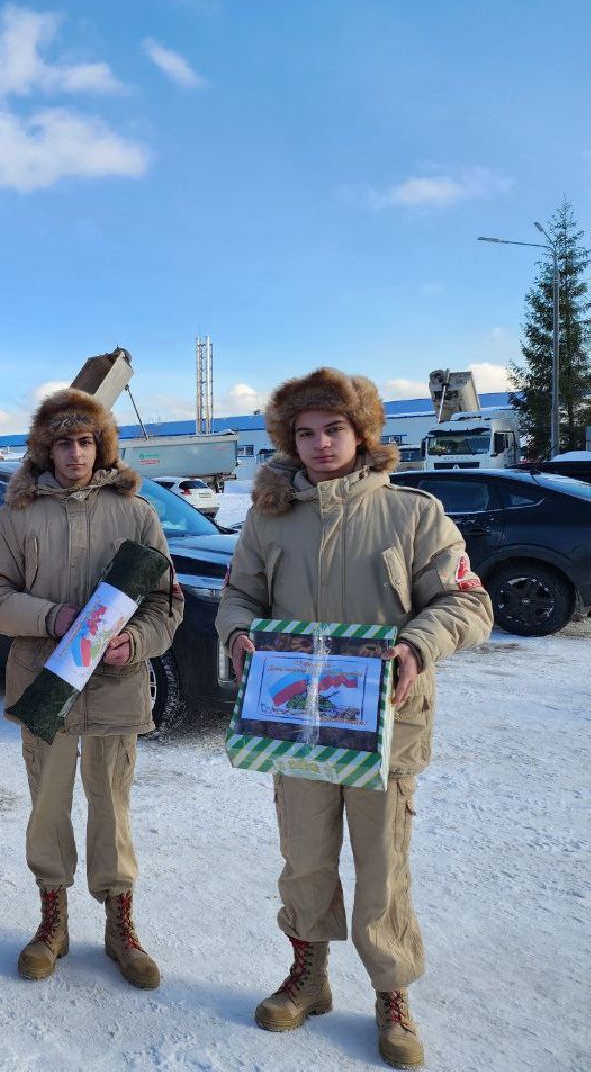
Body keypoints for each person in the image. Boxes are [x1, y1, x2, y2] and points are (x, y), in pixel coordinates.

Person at [216, 368, 492, 1070]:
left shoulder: (413, 514)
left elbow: (469, 603)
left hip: (387, 728)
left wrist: (416, 645)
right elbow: (239, 596)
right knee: (305, 860)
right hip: (297, 726)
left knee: (382, 868)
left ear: (362, 432)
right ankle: (308, 976)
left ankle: (391, 992)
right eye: (305, 433)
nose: (320, 443)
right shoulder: (269, 518)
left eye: (333, 428)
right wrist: (239, 633)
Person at [0, 389, 182, 990]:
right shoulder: (18, 515)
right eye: (63, 442)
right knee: (47, 805)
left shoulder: (136, 512)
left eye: (85, 441)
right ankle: (52, 923)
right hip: (45, 685)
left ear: (101, 446)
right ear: (46, 449)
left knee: (112, 808)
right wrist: (51, 618)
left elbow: (165, 601)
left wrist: (133, 642)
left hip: (116, 687)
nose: (75, 453)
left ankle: (121, 928)